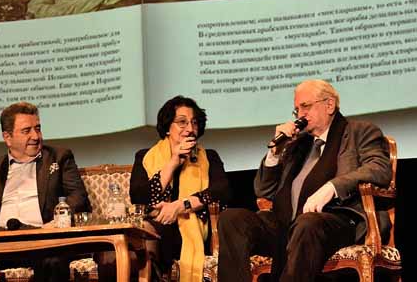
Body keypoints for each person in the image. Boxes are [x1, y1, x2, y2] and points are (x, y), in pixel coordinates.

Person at [217, 79, 393, 282]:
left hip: (338, 221)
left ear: (329, 105)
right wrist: (275, 153)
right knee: (232, 219)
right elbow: (263, 190)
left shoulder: (359, 131)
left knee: (307, 223)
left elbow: (379, 169)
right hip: (285, 225)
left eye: (306, 106)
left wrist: (332, 187)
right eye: (297, 110)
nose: (300, 115)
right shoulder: (297, 144)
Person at [0, 101, 90, 282]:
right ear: (8, 137)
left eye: (37, 129)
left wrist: (56, 222)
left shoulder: (59, 158)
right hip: (0, 245)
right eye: (26, 131)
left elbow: (78, 196)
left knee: (53, 259)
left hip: (43, 242)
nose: (35, 136)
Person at [128, 96, 230, 282]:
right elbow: (139, 197)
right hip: (158, 228)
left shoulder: (209, 157)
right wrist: (173, 162)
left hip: (196, 230)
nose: (190, 129)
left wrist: (180, 206)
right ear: (168, 127)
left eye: (194, 122)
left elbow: (221, 191)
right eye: (182, 122)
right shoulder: (145, 156)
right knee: (138, 239)